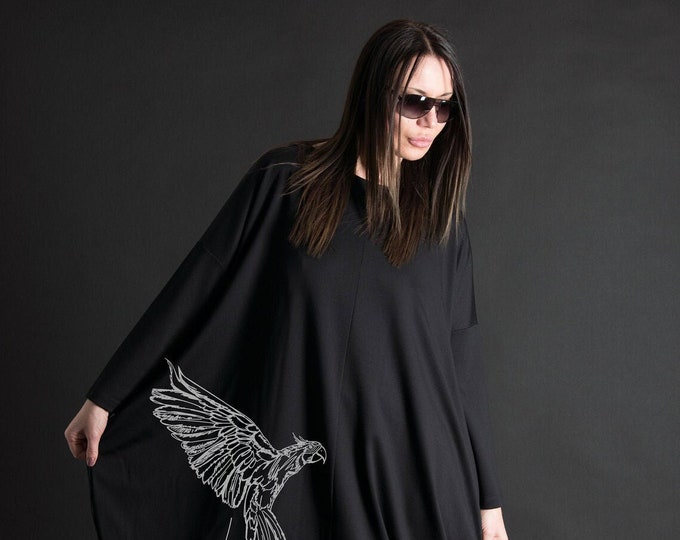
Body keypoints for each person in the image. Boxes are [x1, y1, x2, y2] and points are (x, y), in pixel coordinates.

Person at [65, 19, 508, 540]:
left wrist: (489, 506)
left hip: (413, 476)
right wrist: (107, 394)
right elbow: (198, 284)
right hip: (306, 479)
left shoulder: (442, 226)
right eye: (416, 102)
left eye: (445, 106)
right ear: (374, 92)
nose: (431, 121)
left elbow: (462, 365)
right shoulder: (287, 182)